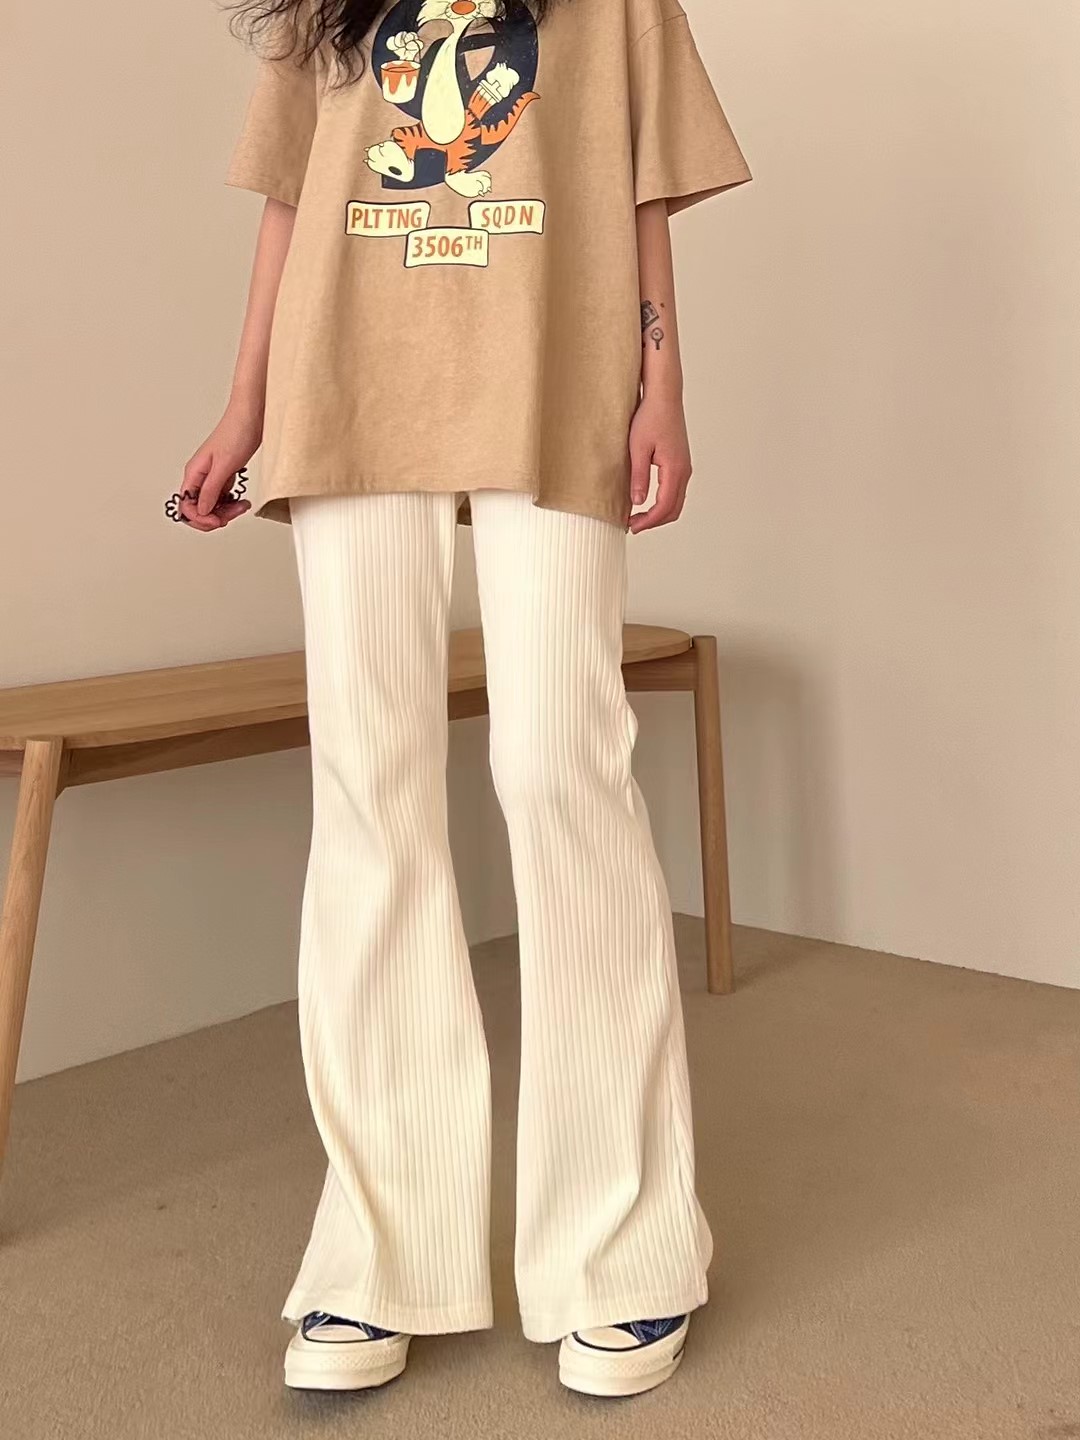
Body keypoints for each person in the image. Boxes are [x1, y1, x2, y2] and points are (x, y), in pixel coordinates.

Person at [179, 0, 750, 1400]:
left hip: (552, 376)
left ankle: (622, 1249)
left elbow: (644, 187)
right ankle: (380, 1255)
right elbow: (292, 198)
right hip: (344, 384)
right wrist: (246, 403)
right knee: (368, 789)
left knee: (564, 772)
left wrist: (662, 384)